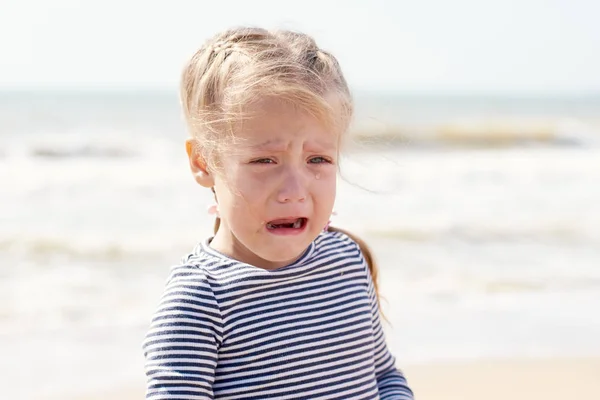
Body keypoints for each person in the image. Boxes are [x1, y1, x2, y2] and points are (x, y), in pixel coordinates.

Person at [142, 26, 414, 400]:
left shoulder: (347, 262)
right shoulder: (201, 300)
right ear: (204, 162)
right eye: (264, 160)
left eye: (318, 159)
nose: (294, 191)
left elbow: (383, 376)